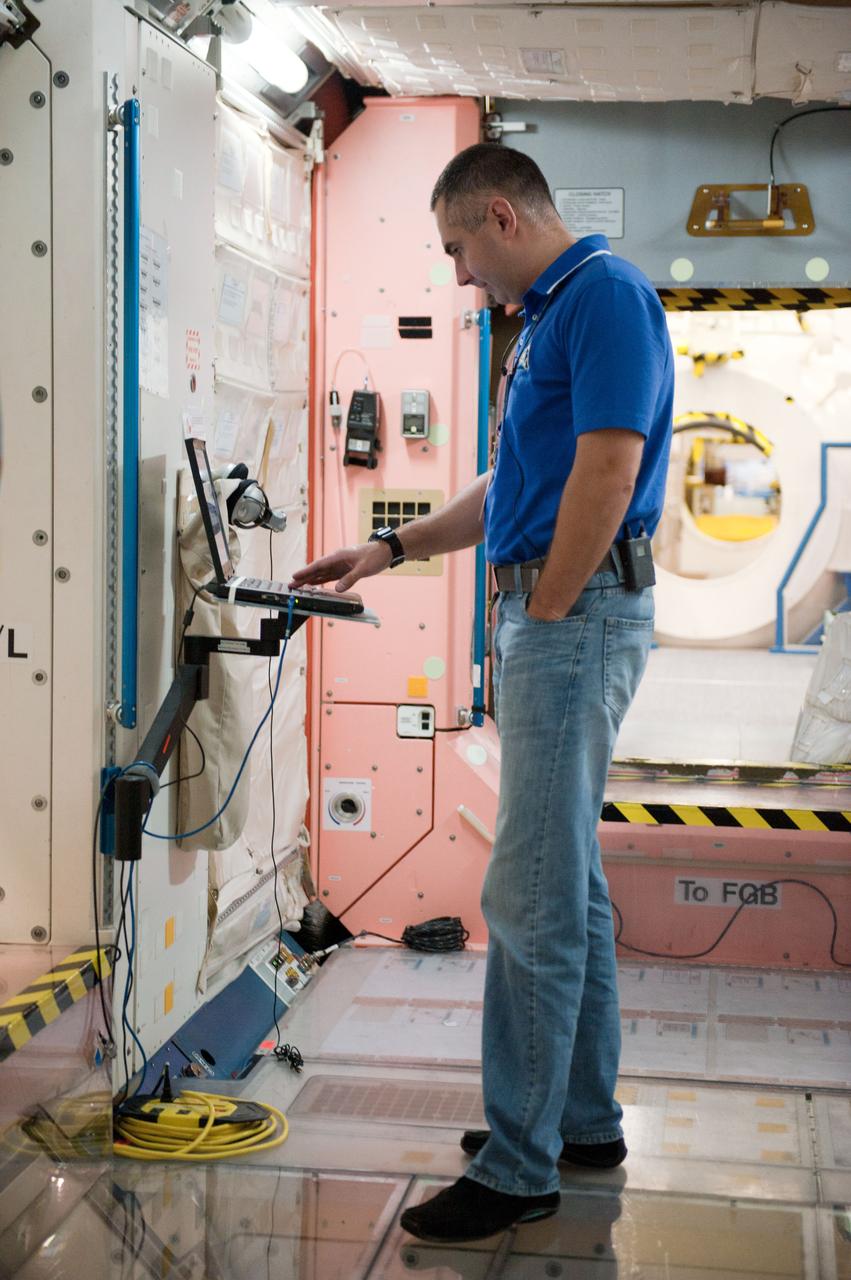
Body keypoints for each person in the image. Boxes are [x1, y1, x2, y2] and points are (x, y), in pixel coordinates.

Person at [290, 143, 673, 1244]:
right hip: (561, 614)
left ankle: (518, 1166)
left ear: (499, 216)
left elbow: (608, 463)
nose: (459, 274)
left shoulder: (601, 296)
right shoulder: (556, 313)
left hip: (572, 617)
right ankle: (579, 1122)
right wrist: (387, 546)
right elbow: (515, 481)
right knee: (568, 883)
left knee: (526, 896)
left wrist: (545, 608)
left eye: (457, 248)